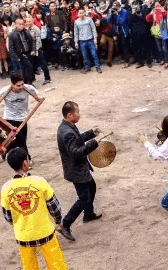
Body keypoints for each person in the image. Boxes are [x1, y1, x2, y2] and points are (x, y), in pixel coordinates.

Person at [1, 147, 68, 269]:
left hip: (23, 236)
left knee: (29, 266)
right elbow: (54, 208)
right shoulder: (39, 182)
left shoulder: (5, 188)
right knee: (56, 264)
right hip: (45, 232)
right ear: (25, 163)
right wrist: (58, 221)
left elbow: (8, 217)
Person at [56, 101, 102, 241]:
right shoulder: (66, 132)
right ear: (70, 115)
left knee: (92, 187)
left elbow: (77, 139)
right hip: (76, 170)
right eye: (77, 112)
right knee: (83, 198)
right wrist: (93, 143)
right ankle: (64, 224)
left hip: (79, 168)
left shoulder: (67, 126)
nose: (79, 115)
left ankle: (88, 214)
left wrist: (91, 133)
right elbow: (75, 152)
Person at [0, 73, 42, 161]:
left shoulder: (28, 88)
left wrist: (39, 98)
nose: (21, 87)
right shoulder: (6, 90)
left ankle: (6, 151)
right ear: (12, 85)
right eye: (18, 85)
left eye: (22, 84)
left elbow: (37, 94)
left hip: (23, 118)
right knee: (20, 141)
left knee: (19, 140)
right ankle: (26, 159)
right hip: (10, 118)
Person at [73, 9, 102, 74]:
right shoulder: (76, 22)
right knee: (85, 55)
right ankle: (87, 67)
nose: (81, 14)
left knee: (94, 54)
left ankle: (97, 67)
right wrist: (76, 42)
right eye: (80, 13)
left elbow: (93, 29)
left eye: (82, 13)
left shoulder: (89, 20)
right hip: (82, 40)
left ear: (85, 13)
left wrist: (95, 38)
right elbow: (76, 33)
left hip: (90, 39)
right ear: (78, 14)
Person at [9, 19, 37, 84]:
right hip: (20, 54)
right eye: (20, 24)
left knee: (29, 68)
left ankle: (29, 82)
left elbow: (32, 41)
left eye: (22, 24)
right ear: (16, 25)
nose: (22, 26)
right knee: (25, 69)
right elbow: (11, 48)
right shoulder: (13, 35)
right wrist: (16, 57)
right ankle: (28, 83)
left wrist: (33, 50)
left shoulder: (26, 32)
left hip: (28, 52)